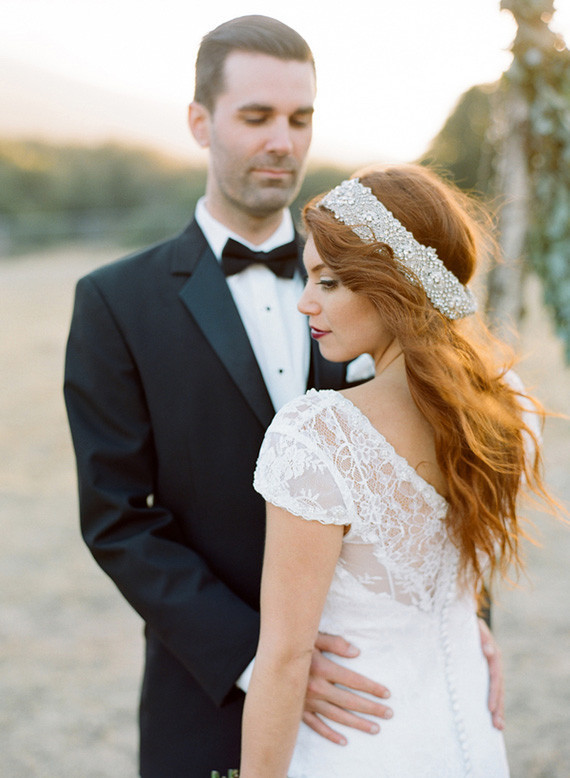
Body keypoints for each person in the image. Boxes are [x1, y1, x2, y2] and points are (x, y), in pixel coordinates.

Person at [64, 15, 502, 777]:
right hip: (210, 690)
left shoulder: (377, 271)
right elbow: (118, 518)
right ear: (200, 122)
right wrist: (261, 656)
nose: (283, 141)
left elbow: (442, 459)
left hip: (387, 697)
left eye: (301, 119)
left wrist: (464, 615)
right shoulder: (115, 301)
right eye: (257, 116)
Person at [242, 164, 549, 777]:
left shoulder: (318, 436)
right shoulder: (507, 403)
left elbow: (284, 660)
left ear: (395, 284)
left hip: (359, 747)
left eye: (329, 282)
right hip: (472, 738)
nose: (305, 302)